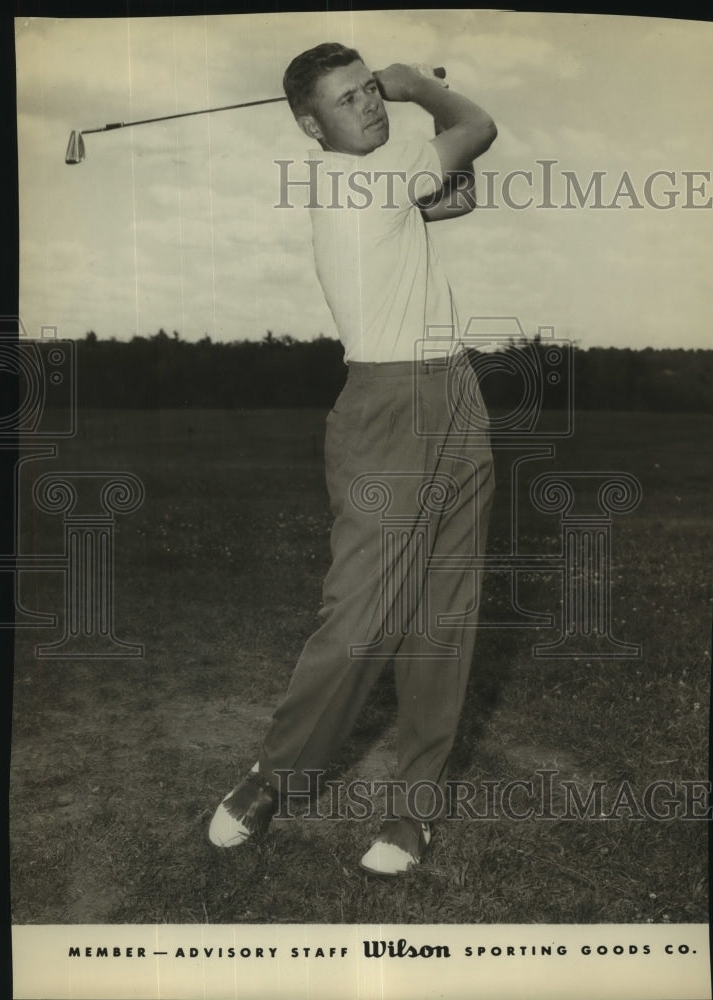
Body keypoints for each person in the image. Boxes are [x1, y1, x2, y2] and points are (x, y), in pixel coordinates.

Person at [209, 42, 496, 876]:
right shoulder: (358, 175)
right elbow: (475, 127)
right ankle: (277, 775)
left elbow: (455, 201)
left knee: (444, 613)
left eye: (371, 89)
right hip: (385, 407)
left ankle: (414, 814)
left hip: (456, 395)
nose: (368, 105)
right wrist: (418, 90)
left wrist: (416, 117)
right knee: (362, 615)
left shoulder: (385, 175)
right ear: (311, 125)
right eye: (348, 100)